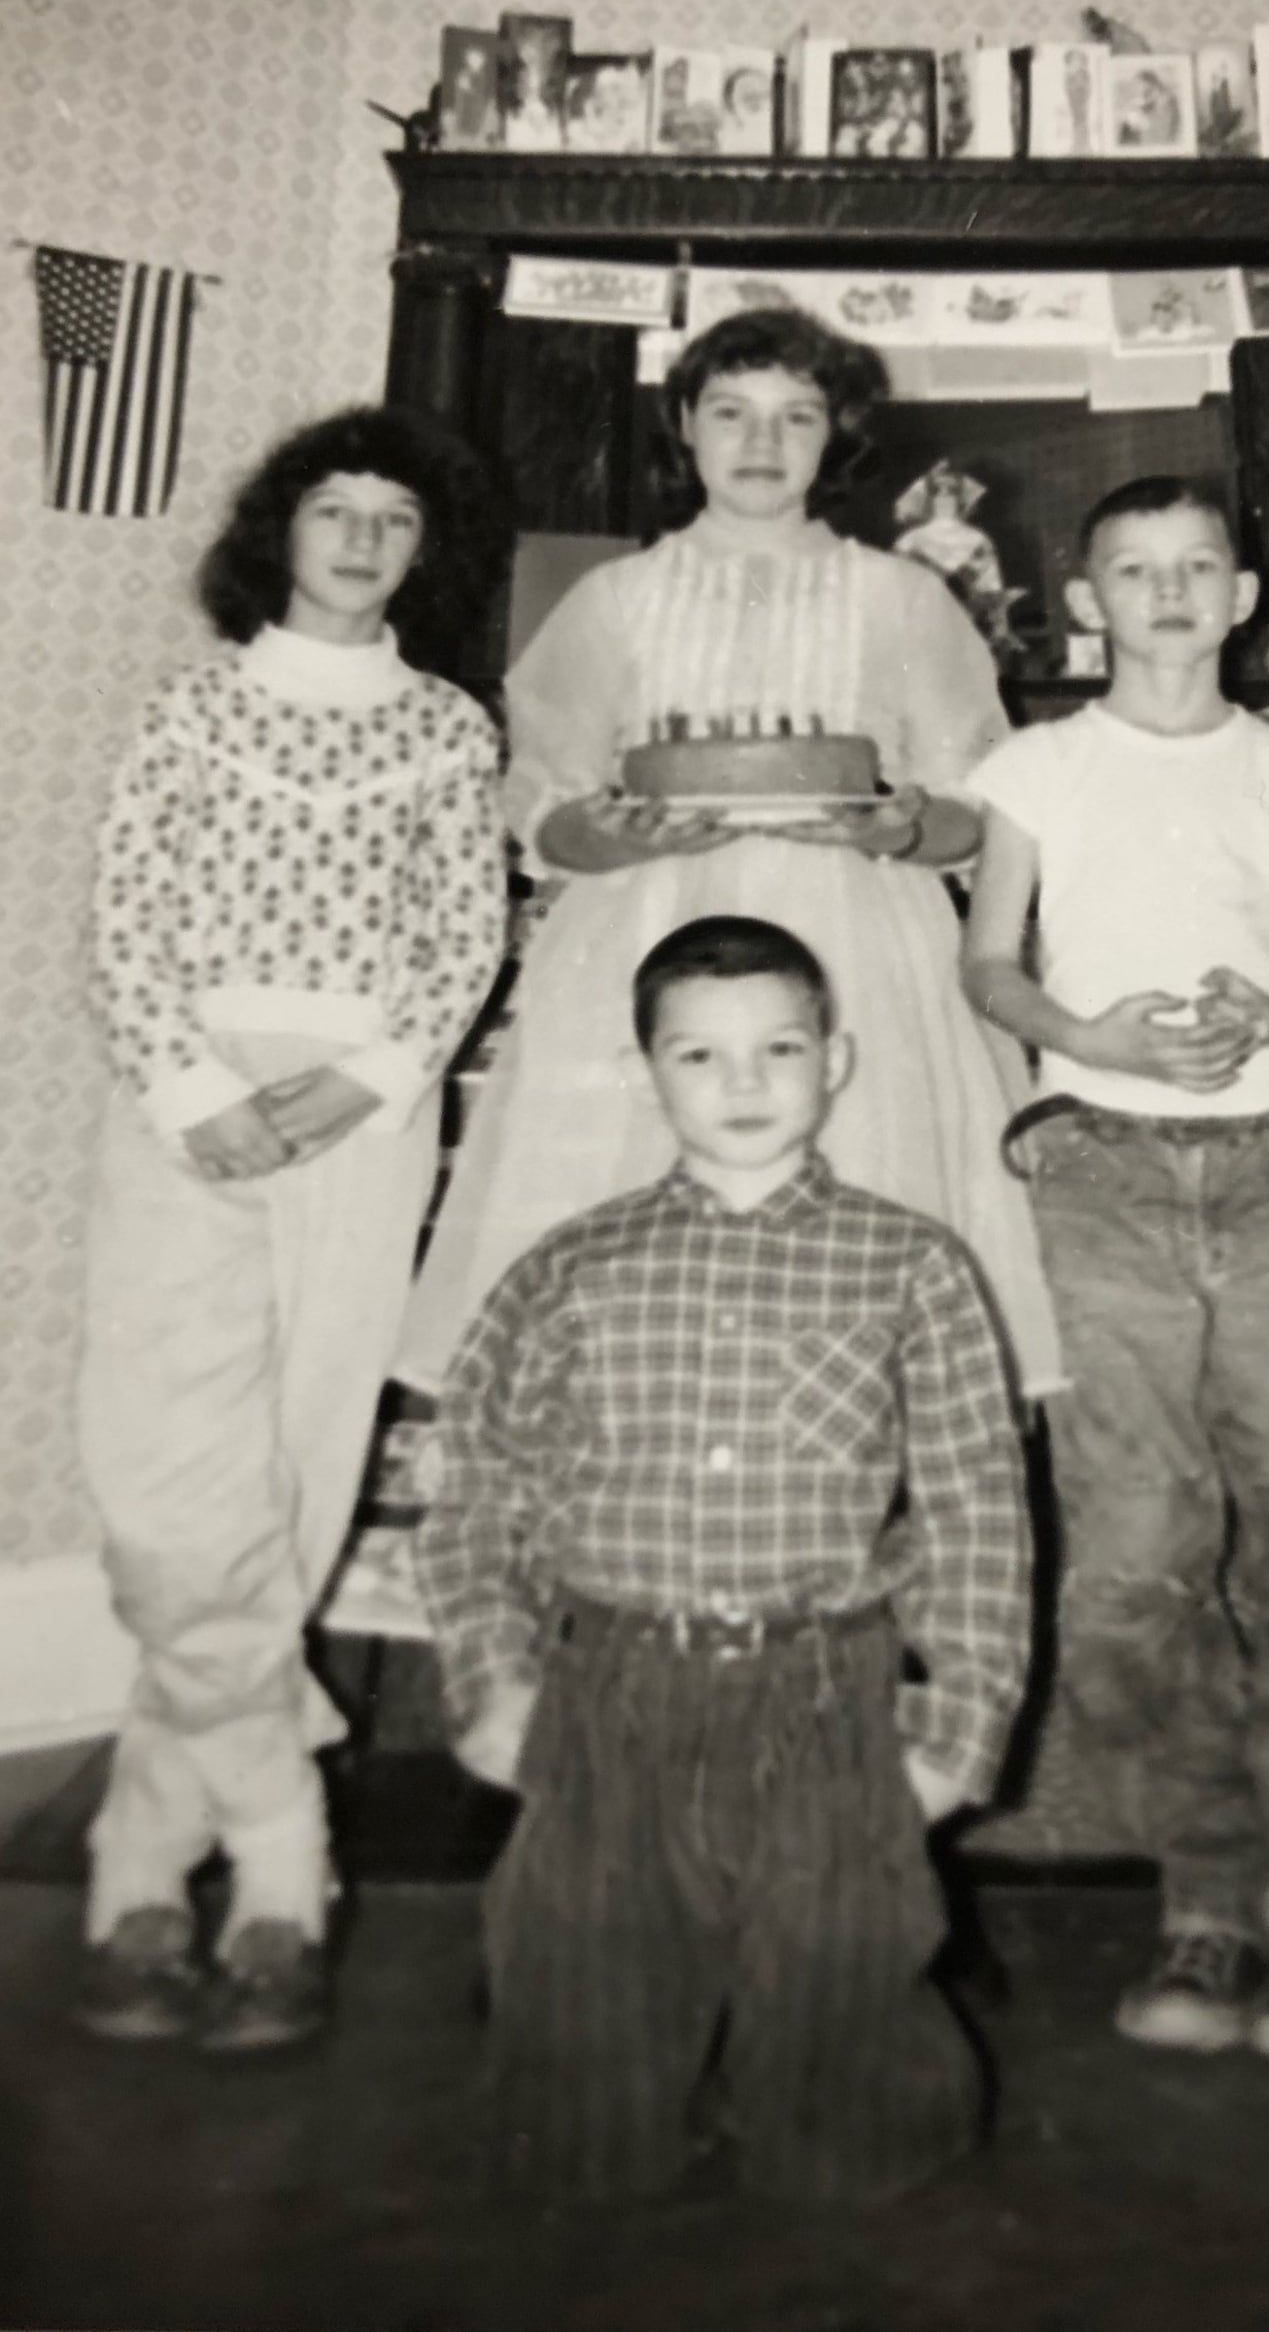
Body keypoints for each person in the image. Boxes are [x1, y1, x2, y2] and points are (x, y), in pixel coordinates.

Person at [414, 915, 1030, 2201]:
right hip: (609, 1691)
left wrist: (954, 1730)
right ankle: (600, 2082)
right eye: (699, 1056)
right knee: (577, 2120)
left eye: (778, 1049)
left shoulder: (911, 1264)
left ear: (836, 1060)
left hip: (822, 1695)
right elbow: (476, 1480)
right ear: (649, 1073)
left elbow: (977, 1508)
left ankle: (829, 2103)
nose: (743, 1085)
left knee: (852, 2092)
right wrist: (492, 1680)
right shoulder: (570, 1268)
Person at [961, 475, 1269, 2065]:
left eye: (1196, 568)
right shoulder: (1034, 766)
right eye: (1130, 571)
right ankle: (1210, 1899)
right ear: (1087, 601)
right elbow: (990, 961)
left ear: (1242, 598)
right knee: (1133, 1551)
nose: (1166, 593)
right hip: (1094, 1168)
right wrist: (1085, 1034)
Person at [395, 304, 1060, 1402]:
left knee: (859, 1235)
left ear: (832, 438)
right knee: (637, 1258)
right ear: (687, 430)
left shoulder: (901, 596)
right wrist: (595, 835)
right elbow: (541, 800)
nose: (762, 441)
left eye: (795, 416)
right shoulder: (614, 598)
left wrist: (899, 826)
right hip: (649, 933)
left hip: (858, 949)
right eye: (731, 412)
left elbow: (976, 802)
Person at [75, 406, 512, 2052]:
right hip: (182, 1109)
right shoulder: (191, 705)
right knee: (162, 1494)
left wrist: (371, 1077)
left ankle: (147, 1868)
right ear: (283, 530)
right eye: (336, 510)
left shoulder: (447, 726)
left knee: (296, 1472)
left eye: (397, 521)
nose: (363, 540)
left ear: (423, 555)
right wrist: (194, 1086)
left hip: (361, 1121)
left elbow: (461, 933)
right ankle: (283, 1836)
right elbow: (123, 913)